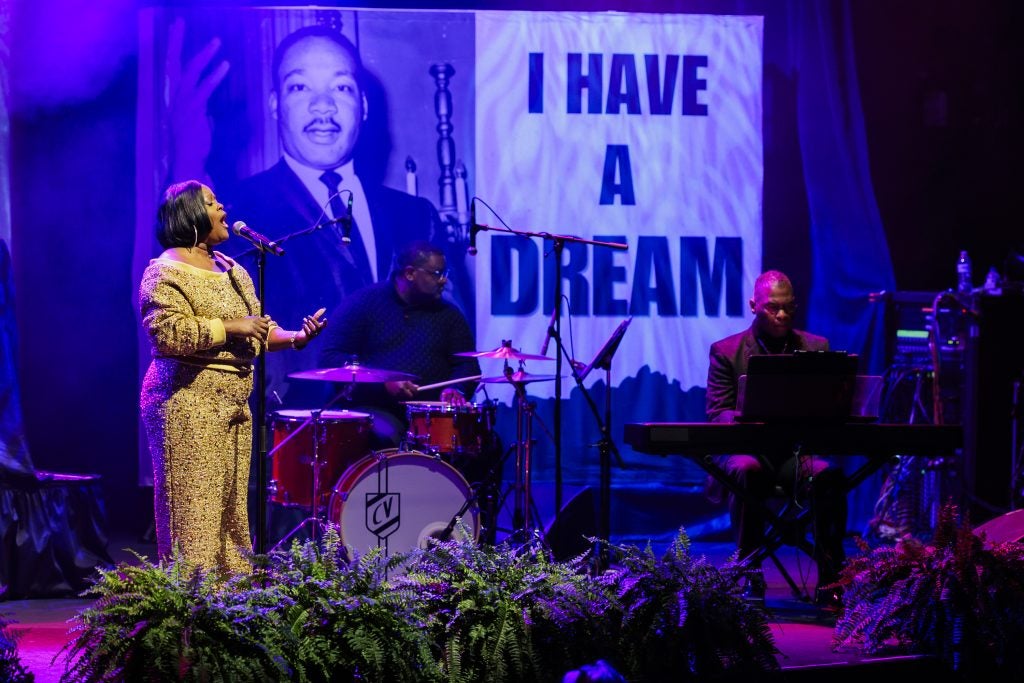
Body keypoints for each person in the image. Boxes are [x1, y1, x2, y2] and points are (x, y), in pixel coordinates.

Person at [165, 21, 445, 407]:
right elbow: (184, 293)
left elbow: (446, 335)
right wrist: (185, 155)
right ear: (275, 104)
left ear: (363, 106)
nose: (323, 105)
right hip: (294, 437)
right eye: (300, 87)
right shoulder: (234, 211)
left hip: (400, 440)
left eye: (341, 87)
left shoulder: (417, 216)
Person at [138, 180, 327, 575]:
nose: (222, 207)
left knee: (231, 517)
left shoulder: (232, 269)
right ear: (189, 214)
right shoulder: (165, 271)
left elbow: (256, 328)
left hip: (233, 406)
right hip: (186, 403)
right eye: (211, 202)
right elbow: (170, 334)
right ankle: (192, 612)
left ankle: (233, 609)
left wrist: (294, 337)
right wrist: (231, 327)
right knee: (195, 517)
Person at [704, 270, 847, 607]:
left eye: (788, 308)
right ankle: (749, 572)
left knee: (829, 475)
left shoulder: (816, 348)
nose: (782, 314)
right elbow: (717, 412)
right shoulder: (726, 351)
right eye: (772, 308)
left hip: (793, 454)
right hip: (746, 449)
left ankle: (831, 578)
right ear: (754, 306)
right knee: (748, 470)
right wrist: (752, 416)